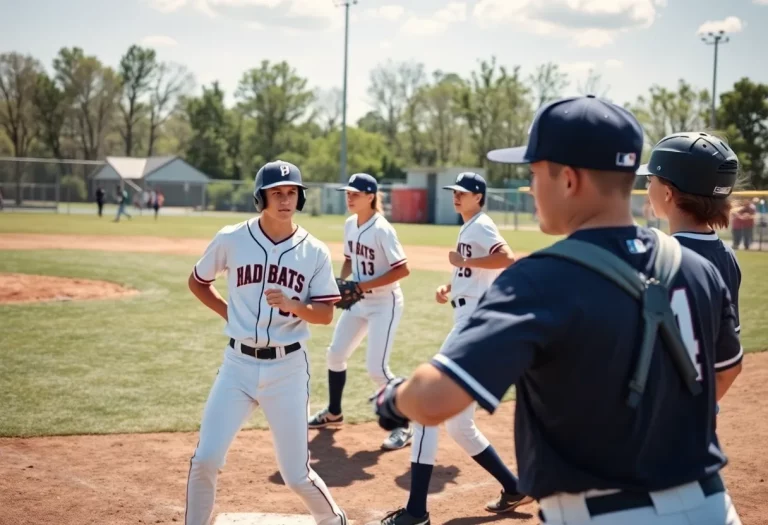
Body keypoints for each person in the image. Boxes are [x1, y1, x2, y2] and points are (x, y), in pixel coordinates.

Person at [372, 95, 743, 525]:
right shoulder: (697, 267)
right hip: (712, 507)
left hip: (605, 514)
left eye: (534, 173)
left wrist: (393, 398)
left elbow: (435, 399)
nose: (530, 187)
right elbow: (725, 370)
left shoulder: (540, 279)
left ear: (568, 179)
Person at [185, 160, 348, 525]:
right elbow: (198, 282)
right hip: (237, 367)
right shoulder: (232, 238)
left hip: (287, 369)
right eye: (277, 192)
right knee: (205, 458)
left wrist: (294, 305)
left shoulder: (314, 251)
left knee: (296, 474)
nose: (285, 199)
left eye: (292, 193)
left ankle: (335, 521)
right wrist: (230, 314)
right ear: (261, 197)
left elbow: (324, 315)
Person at [377, 172, 530, 525]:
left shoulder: (480, 225)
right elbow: (477, 272)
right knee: (460, 426)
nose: (456, 197)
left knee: (425, 409)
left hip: (473, 326)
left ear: (479, 196)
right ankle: (514, 487)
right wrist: (453, 285)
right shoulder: (471, 226)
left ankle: (416, 511)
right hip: (473, 321)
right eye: (455, 192)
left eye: (463, 192)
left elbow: (505, 257)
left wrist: (465, 264)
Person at [308, 173, 413, 451]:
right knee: (335, 354)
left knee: (377, 369)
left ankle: (404, 425)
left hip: (384, 303)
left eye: (355, 193)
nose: (349, 197)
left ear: (370, 197)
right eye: (348, 193)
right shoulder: (350, 224)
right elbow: (348, 260)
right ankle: (333, 412)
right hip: (359, 301)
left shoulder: (382, 229)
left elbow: (402, 269)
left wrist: (361, 284)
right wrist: (341, 285)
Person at [639, 132, 743, 402]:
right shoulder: (727, 256)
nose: (648, 188)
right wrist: (701, 409)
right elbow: (729, 363)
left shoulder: (662, 259)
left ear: (668, 193)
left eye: (651, 180)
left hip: (659, 414)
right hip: (697, 410)